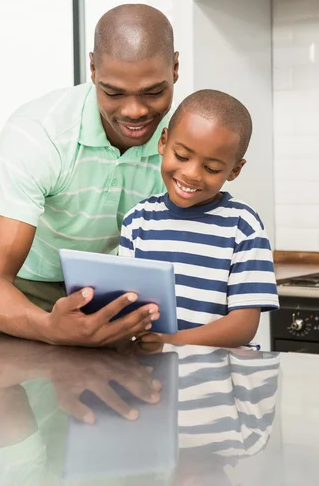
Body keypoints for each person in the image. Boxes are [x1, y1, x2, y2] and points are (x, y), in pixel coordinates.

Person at [0, 4, 179, 346]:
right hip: (23, 293)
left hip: (116, 292)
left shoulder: (181, 143)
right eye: (113, 92)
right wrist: (49, 327)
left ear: (175, 69)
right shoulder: (40, 134)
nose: (135, 111)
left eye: (153, 92)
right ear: (92, 69)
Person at [119, 89, 280, 348]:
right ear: (163, 142)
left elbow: (243, 325)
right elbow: (127, 305)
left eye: (211, 168)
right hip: (154, 377)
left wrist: (172, 341)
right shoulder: (137, 221)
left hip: (219, 380)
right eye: (181, 156)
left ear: (235, 170)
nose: (192, 174)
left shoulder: (243, 227)